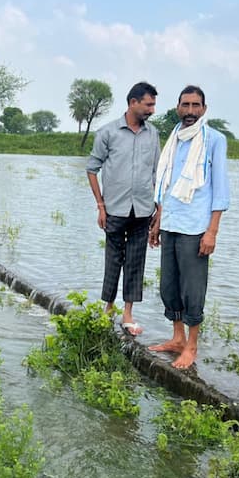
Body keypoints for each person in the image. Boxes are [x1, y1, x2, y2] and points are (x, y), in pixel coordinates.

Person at [148, 85, 230, 369]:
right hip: (171, 223)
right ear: (178, 108)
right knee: (169, 285)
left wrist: (212, 231)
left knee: (192, 289)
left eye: (196, 106)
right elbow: (165, 185)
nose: (191, 111)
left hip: (196, 228)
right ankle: (177, 338)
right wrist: (157, 222)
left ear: (204, 109)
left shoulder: (215, 141)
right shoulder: (173, 139)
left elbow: (220, 190)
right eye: (186, 105)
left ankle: (192, 346)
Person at [86, 82, 161, 336]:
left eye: (153, 104)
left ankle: (127, 313)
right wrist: (100, 205)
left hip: (142, 210)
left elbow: (156, 173)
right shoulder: (108, 133)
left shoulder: (152, 134)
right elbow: (92, 168)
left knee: (136, 262)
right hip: (114, 208)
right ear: (133, 103)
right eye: (148, 104)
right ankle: (108, 307)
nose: (152, 109)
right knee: (113, 259)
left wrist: (158, 211)